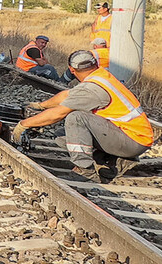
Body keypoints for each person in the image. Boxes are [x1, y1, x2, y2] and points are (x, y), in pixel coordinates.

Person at [13, 50, 154, 181]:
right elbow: (67, 96)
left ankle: (84, 170)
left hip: (132, 141)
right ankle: (109, 162)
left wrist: (24, 124)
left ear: (72, 70)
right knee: (62, 137)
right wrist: (41, 106)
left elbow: (58, 113)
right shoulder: (100, 76)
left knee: (76, 118)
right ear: (95, 64)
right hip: (129, 135)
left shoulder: (91, 89)